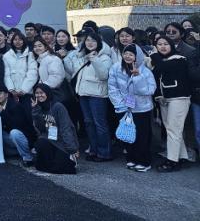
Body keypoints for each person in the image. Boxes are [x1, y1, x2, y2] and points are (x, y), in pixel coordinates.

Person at [64, 32, 113, 162]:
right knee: (89, 123)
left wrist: (94, 59)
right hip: (83, 94)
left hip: (98, 95)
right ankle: (93, 150)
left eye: (93, 41)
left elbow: (103, 75)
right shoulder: (83, 56)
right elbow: (74, 72)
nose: (90, 43)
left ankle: (104, 152)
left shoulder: (105, 58)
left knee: (100, 124)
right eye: (87, 40)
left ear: (99, 43)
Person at [107, 44, 156, 172]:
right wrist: (120, 104)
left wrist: (138, 77)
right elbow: (112, 87)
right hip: (123, 107)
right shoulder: (116, 68)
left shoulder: (145, 71)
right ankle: (131, 158)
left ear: (137, 57)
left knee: (142, 135)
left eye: (131, 54)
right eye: (126, 54)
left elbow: (150, 90)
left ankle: (144, 161)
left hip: (141, 108)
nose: (127, 56)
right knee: (127, 133)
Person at [149, 36, 192, 172]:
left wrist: (154, 55)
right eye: (159, 44)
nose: (162, 47)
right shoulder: (159, 60)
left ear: (172, 45)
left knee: (174, 129)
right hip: (164, 99)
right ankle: (182, 157)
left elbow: (164, 68)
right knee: (172, 129)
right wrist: (158, 96)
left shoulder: (179, 59)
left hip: (179, 98)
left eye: (166, 44)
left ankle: (172, 161)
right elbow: (155, 77)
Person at [31, 83, 79, 175]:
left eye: (42, 92)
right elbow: (41, 129)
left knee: (66, 168)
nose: (39, 95)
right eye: (37, 93)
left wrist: (72, 149)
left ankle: (71, 158)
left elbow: (66, 128)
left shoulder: (58, 106)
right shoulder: (38, 108)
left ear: (47, 93)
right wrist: (35, 110)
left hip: (61, 141)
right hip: (49, 140)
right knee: (40, 147)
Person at [0, 85, 36, 166]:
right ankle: (18, 152)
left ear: (6, 95)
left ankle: (28, 157)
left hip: (25, 137)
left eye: (0, 93)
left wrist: (2, 112)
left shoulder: (15, 106)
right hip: (12, 138)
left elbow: (15, 125)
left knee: (14, 133)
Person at [3, 30, 38, 109]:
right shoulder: (6, 56)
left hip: (27, 93)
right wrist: (11, 90)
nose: (18, 42)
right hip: (12, 94)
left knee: (27, 114)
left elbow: (33, 73)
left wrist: (23, 90)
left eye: (20, 39)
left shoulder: (30, 55)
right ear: (12, 41)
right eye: (15, 39)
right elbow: (6, 75)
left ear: (24, 41)